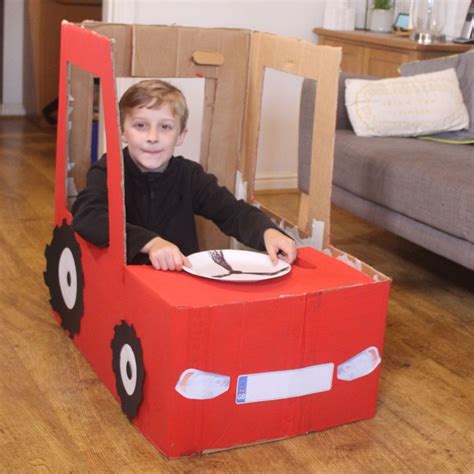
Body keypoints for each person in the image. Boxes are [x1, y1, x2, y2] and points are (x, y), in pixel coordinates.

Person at [72, 79, 297, 271]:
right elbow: (88, 216)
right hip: (127, 282)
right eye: (140, 125)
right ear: (122, 132)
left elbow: (231, 211)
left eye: (165, 127)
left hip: (182, 280)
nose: (152, 137)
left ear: (180, 135)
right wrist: (150, 243)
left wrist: (267, 232)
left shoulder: (189, 175)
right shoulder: (108, 170)